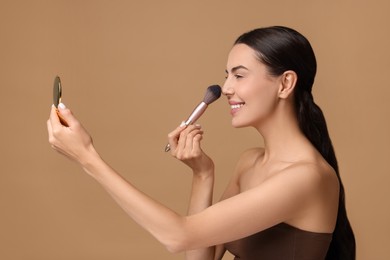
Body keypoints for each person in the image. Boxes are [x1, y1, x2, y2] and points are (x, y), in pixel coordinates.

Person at [47, 26, 355, 259]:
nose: (226, 88)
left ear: (285, 83)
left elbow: (178, 236)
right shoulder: (250, 162)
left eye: (239, 75)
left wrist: (88, 157)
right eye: (226, 76)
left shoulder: (307, 177)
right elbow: (198, 255)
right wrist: (202, 174)